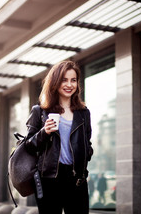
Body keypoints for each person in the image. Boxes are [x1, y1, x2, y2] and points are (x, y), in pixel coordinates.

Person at [25, 60, 94, 214]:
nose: (69, 84)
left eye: (73, 80)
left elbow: (87, 143)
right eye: (64, 80)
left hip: (77, 179)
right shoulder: (40, 111)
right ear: (55, 82)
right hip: (49, 178)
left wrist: (86, 157)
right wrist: (44, 132)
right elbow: (28, 145)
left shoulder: (83, 113)